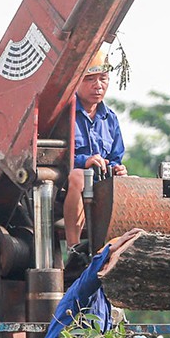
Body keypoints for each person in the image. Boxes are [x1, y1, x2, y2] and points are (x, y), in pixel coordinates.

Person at [64, 45, 127, 248]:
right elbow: (54, 157)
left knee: (132, 183)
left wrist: (119, 169)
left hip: (101, 179)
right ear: (76, 81)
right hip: (66, 181)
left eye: (103, 79)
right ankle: (74, 249)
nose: (98, 85)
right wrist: (85, 161)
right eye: (90, 79)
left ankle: (118, 247)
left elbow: (117, 156)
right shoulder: (64, 114)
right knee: (78, 177)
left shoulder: (110, 119)